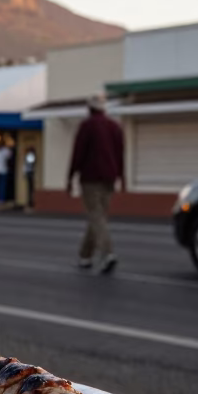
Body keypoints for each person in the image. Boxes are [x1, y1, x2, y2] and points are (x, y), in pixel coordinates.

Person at [68, 94, 125, 274]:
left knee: (96, 216)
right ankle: (85, 256)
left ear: (89, 108)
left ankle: (107, 253)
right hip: (110, 177)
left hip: (90, 177)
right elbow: (121, 153)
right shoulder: (115, 127)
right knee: (98, 216)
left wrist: (70, 177)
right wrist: (122, 177)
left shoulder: (86, 126)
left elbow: (78, 153)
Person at [23, 145, 38, 210]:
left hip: (30, 172)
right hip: (29, 172)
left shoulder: (30, 156)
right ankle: (30, 201)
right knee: (30, 188)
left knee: (30, 188)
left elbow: (30, 163)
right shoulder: (30, 156)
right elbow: (30, 163)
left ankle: (31, 201)